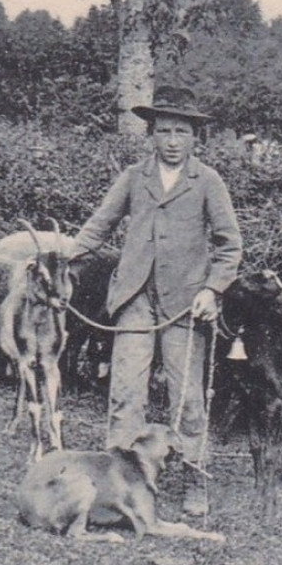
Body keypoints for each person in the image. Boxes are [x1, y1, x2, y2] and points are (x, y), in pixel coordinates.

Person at [71, 85, 243, 517]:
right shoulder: (133, 176)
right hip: (134, 299)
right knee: (126, 391)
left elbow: (229, 246)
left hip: (186, 304)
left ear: (194, 137)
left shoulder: (207, 182)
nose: (171, 140)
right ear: (151, 134)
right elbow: (99, 226)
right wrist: (63, 255)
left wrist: (211, 289)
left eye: (181, 132)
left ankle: (193, 479)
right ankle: (117, 483)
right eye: (164, 131)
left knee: (186, 398)